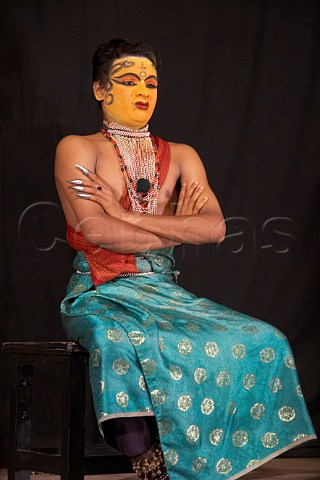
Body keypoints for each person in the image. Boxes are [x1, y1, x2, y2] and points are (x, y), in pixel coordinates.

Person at [55, 38, 316, 480]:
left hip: (165, 293)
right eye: (129, 80)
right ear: (100, 89)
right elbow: (95, 232)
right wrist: (173, 224)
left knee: (264, 339)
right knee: (113, 339)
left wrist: (120, 212)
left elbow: (214, 229)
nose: (144, 90)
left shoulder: (182, 157)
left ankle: (203, 453)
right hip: (100, 293)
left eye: (151, 82)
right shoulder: (78, 149)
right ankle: (145, 455)